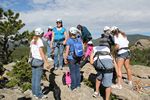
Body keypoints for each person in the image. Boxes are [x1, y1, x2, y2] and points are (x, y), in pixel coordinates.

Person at [90, 26, 115, 100]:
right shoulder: (107, 49)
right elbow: (112, 59)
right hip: (108, 65)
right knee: (108, 85)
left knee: (99, 77)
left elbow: (91, 61)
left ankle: (96, 92)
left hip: (98, 64)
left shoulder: (94, 48)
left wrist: (96, 65)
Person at [29, 28, 50, 99]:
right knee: (38, 79)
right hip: (38, 60)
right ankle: (39, 95)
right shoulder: (40, 41)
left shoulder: (32, 40)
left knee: (34, 78)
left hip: (33, 60)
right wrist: (46, 62)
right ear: (41, 34)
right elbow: (41, 52)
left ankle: (34, 92)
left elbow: (31, 52)